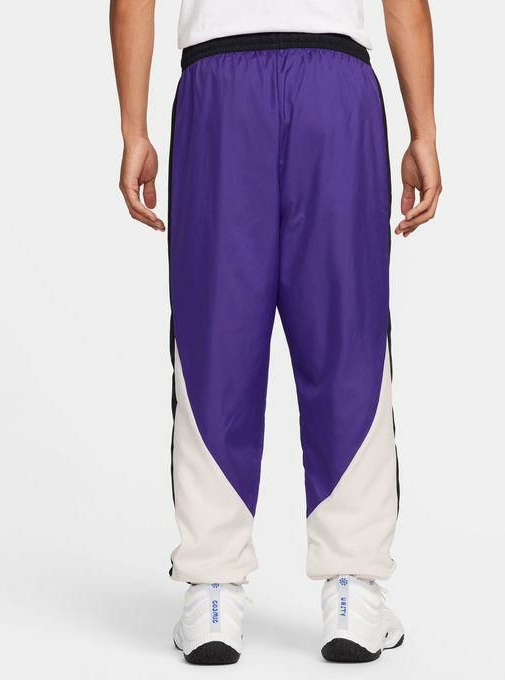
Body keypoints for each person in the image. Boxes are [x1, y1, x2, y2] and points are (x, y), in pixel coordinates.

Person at [110, 0, 441, 665]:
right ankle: (352, 592)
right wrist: (424, 132)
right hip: (334, 88)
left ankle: (212, 594)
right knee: (347, 334)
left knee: (214, 336)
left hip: (219, 90)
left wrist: (134, 128)